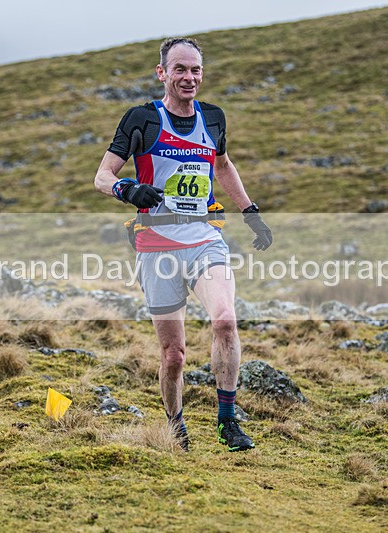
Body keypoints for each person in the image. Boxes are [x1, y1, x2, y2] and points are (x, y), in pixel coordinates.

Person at [94, 37, 272, 452]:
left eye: (195, 70)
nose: (189, 78)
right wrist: (127, 189)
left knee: (225, 319)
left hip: (205, 237)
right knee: (173, 356)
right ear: (163, 73)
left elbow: (222, 165)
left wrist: (251, 212)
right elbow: (102, 175)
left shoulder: (213, 119)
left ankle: (227, 421)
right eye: (180, 69)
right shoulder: (142, 119)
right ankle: (175, 424)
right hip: (156, 245)